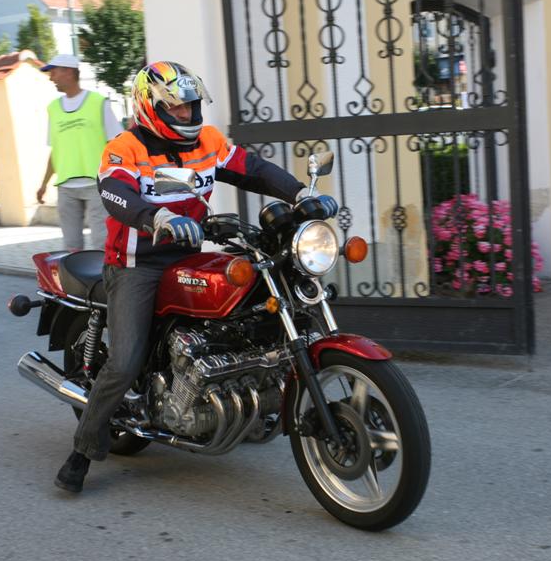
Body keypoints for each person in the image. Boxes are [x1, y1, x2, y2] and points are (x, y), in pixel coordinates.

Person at [55, 61, 337, 493]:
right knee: (126, 361)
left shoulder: (207, 140)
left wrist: (300, 194)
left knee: (247, 308)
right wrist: (155, 217)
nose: (188, 114)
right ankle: (84, 448)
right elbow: (114, 194)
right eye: (179, 108)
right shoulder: (124, 148)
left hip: (187, 254)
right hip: (137, 263)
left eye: (191, 105)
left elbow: (253, 169)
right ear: (152, 108)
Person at [37, 53, 123, 250]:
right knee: (71, 246)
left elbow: (117, 144)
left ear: (68, 72)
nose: (51, 78)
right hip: (66, 187)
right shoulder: (53, 108)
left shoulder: (98, 102)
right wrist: (44, 184)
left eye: (54, 72)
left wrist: (120, 179)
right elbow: (55, 151)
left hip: (97, 184)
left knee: (103, 244)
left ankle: (105, 280)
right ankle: (78, 281)